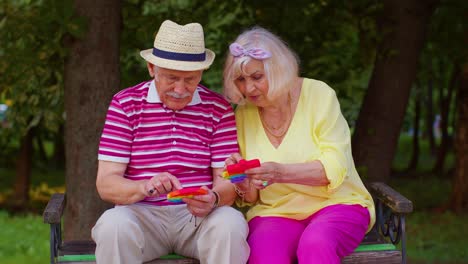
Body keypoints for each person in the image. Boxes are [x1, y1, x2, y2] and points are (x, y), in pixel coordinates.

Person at [91, 20, 249, 264]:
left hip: (199, 219)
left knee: (230, 222)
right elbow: (106, 184)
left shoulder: (218, 108)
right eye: (172, 78)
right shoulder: (125, 104)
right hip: (142, 215)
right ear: (152, 68)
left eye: (190, 79)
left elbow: (227, 181)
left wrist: (214, 198)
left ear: (201, 73)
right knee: (113, 225)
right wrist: (145, 187)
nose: (180, 89)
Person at [222, 27, 375, 264]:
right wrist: (242, 181)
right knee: (265, 255)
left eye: (257, 77)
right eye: (240, 79)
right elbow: (251, 197)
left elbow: (334, 168)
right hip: (275, 212)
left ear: (278, 70)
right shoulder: (243, 114)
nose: (248, 88)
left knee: (316, 244)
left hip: (336, 205)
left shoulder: (318, 94)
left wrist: (279, 172)